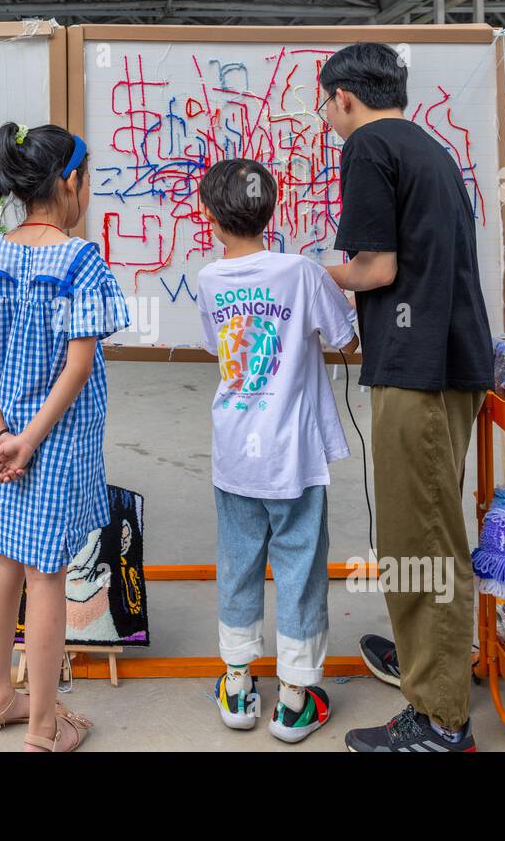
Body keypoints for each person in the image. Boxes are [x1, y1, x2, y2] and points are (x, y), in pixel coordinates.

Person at [320, 43, 493, 752]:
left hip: (418, 371)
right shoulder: (425, 145)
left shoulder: (367, 147)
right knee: (421, 525)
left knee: (420, 540)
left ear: (345, 98)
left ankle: (441, 718)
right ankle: (429, 660)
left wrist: (313, 277)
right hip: (445, 362)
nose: (324, 116)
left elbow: (376, 266)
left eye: (323, 103)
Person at [0, 122, 130, 752]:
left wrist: (1, 430)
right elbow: (78, 365)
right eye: (89, 180)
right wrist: (30, 438)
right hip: (50, 447)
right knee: (48, 576)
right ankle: (41, 728)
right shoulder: (80, 259)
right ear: (69, 183)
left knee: (3, 563)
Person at [195, 158, 359, 744]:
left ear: (210, 217)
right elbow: (344, 336)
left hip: (235, 451)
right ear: (272, 209)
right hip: (295, 455)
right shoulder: (301, 272)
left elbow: (222, 347)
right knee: (300, 569)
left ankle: (238, 684)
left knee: (238, 564)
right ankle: (294, 698)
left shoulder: (208, 279)